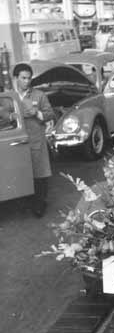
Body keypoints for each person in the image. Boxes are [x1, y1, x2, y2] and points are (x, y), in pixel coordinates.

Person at [12, 63, 55, 217]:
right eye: (23, 78)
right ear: (16, 78)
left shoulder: (39, 95)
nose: (27, 81)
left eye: (29, 78)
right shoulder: (11, 96)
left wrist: (36, 113)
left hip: (36, 140)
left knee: (39, 173)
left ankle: (39, 204)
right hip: (17, 141)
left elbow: (50, 114)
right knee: (21, 172)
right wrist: (10, 116)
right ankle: (25, 204)